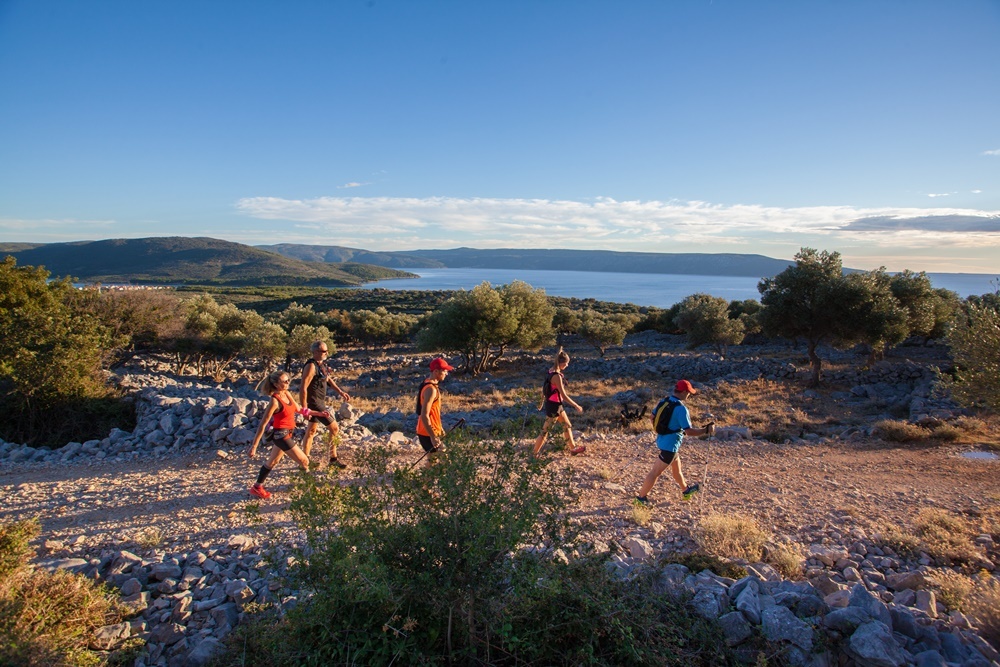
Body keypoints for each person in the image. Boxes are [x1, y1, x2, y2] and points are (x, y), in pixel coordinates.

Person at [248, 370, 327, 499]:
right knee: (304, 461)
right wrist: (254, 446)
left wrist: (319, 414)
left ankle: (257, 487)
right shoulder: (274, 401)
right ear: (276, 384)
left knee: (272, 461)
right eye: (285, 381)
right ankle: (314, 491)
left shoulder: (287, 394)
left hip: (288, 433)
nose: (288, 383)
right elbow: (263, 424)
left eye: (288, 380)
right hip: (281, 435)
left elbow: (299, 409)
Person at [635, 379, 714, 505]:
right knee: (655, 472)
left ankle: (686, 490)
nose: (689, 395)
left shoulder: (665, 401)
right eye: (688, 392)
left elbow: (652, 417)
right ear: (683, 392)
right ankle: (641, 498)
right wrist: (706, 430)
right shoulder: (681, 409)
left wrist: (662, 430)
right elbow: (689, 432)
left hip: (663, 440)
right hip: (669, 446)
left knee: (677, 470)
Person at [300, 340, 352, 469]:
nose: (326, 353)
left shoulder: (321, 365)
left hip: (319, 401)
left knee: (311, 431)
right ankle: (333, 459)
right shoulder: (311, 366)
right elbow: (303, 388)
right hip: (314, 403)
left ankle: (304, 461)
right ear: (315, 352)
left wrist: (340, 391)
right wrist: (304, 409)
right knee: (334, 428)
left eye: (326, 351)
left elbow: (327, 379)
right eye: (323, 351)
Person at [532, 348, 585, 456]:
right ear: (561, 363)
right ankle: (533, 455)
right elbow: (564, 396)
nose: (567, 366)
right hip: (554, 406)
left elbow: (544, 388)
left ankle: (573, 448)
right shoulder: (556, 376)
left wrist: (541, 402)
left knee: (567, 425)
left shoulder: (550, 371)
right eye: (566, 363)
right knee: (545, 432)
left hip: (556, 405)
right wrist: (576, 405)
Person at [415, 357, 455, 466]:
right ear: (436, 371)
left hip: (428, 430)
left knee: (432, 462)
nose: (446, 373)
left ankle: (421, 483)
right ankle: (421, 482)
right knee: (446, 461)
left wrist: (439, 428)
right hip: (427, 432)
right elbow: (424, 415)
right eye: (444, 370)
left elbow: (433, 412)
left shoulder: (428, 384)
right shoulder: (431, 389)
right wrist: (433, 436)